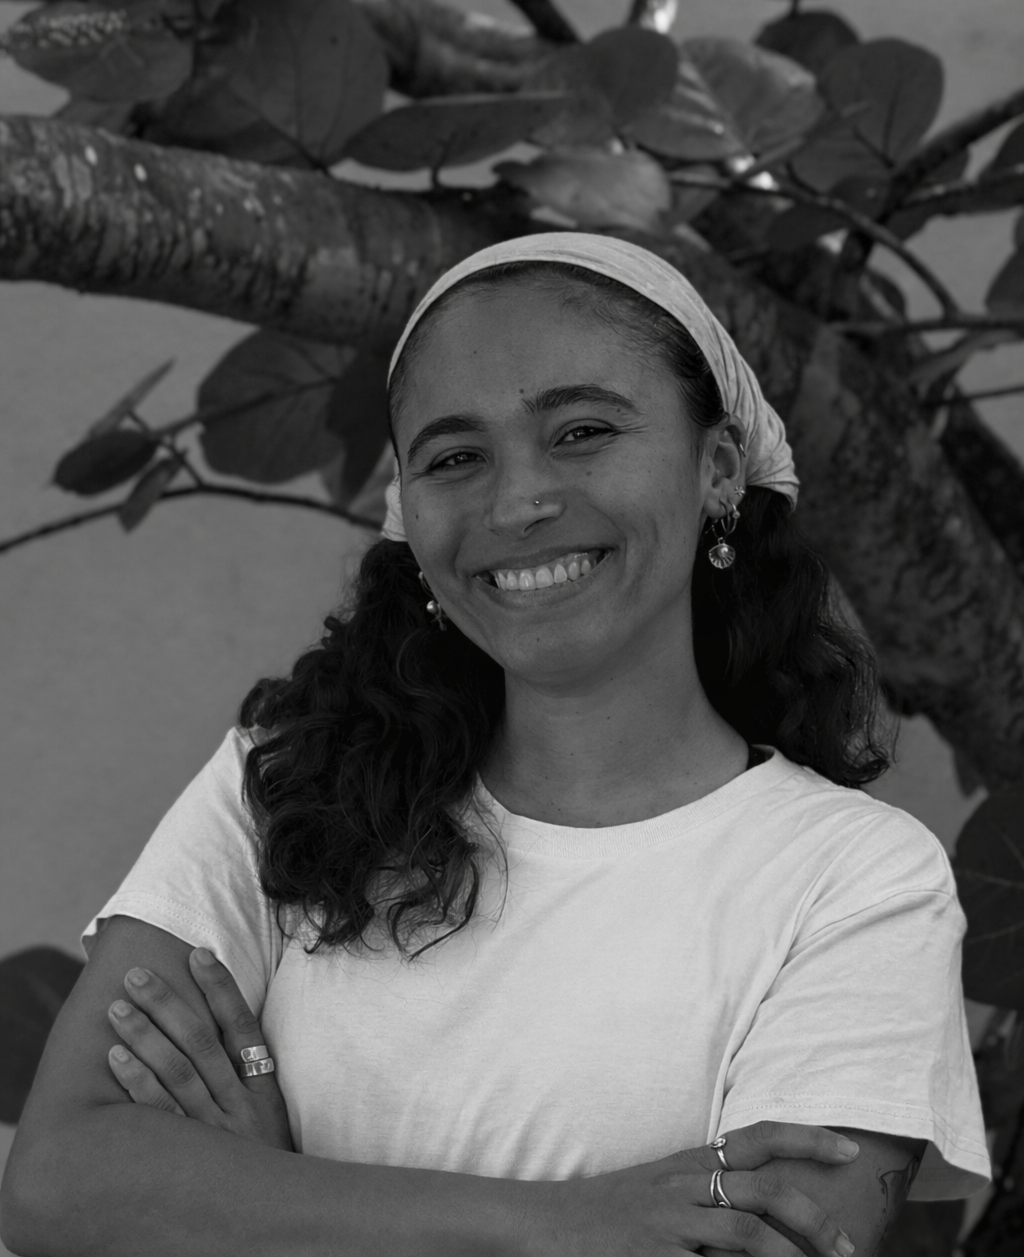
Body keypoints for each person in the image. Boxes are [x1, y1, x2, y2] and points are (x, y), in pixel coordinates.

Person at [1, 233, 990, 1257]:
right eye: (455, 457)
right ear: (408, 513)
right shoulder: (285, 783)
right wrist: (562, 1226)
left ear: (718, 469)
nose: (516, 501)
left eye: (580, 431)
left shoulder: (855, 884)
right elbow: (58, 1182)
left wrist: (270, 1199)